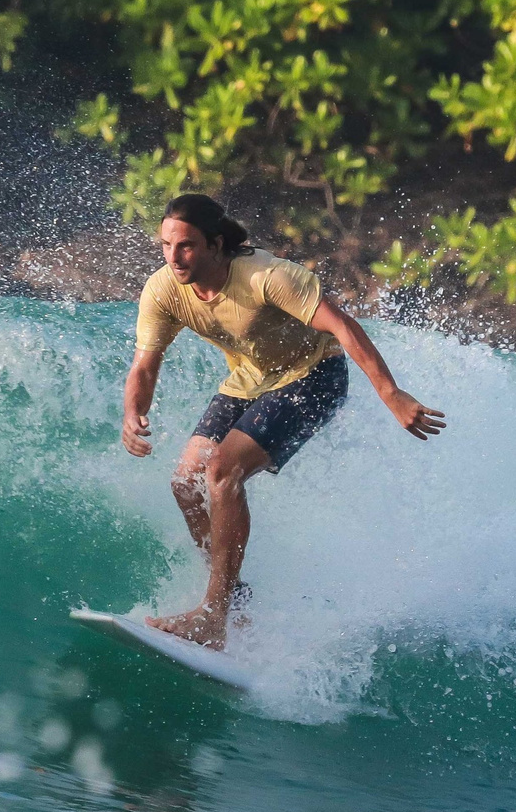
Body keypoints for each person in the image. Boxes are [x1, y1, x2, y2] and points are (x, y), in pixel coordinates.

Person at [120, 192, 446, 650]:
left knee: (222, 471)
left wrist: (390, 393)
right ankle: (234, 601)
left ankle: (213, 618)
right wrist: (134, 411)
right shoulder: (164, 290)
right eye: (166, 246)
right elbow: (145, 365)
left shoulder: (265, 277)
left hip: (314, 375)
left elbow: (343, 325)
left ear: (215, 244)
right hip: (250, 380)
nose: (174, 257)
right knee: (185, 483)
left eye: (187, 246)